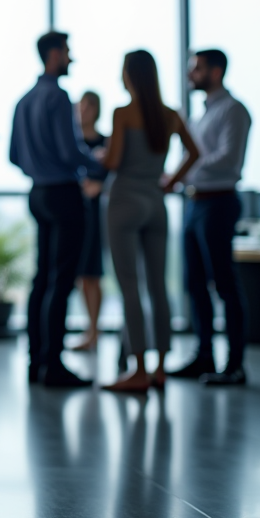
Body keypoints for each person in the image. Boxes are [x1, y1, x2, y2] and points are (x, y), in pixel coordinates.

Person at [9, 31, 106, 387]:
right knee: (62, 280)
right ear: (53, 54)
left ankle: (37, 363)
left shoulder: (24, 101)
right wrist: (99, 165)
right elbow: (70, 153)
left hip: (38, 194)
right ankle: (55, 366)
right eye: (67, 52)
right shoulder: (59, 98)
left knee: (41, 279)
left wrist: (40, 168)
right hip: (64, 194)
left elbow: (14, 156)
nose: (70, 58)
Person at [102, 50, 199, 393]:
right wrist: (171, 180)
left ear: (129, 75)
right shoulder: (170, 114)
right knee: (159, 287)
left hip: (125, 199)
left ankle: (138, 369)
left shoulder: (123, 113)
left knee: (130, 286)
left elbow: (113, 161)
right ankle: (160, 368)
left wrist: (101, 153)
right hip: (156, 203)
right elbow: (195, 152)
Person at [167, 49, 252, 385]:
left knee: (225, 285)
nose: (191, 74)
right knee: (194, 285)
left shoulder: (234, 111)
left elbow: (227, 159)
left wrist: (184, 171)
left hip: (217, 203)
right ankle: (203, 358)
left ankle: (234, 365)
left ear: (215, 72)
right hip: (194, 203)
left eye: (197, 68)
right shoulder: (202, 115)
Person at [73, 91, 107, 352]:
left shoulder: (106, 142)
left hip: (97, 215)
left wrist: (100, 187)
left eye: (87, 106)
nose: (82, 111)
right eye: (80, 106)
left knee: (92, 274)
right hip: (75, 212)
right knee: (79, 276)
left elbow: (112, 173)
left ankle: (94, 331)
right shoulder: (70, 142)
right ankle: (90, 329)